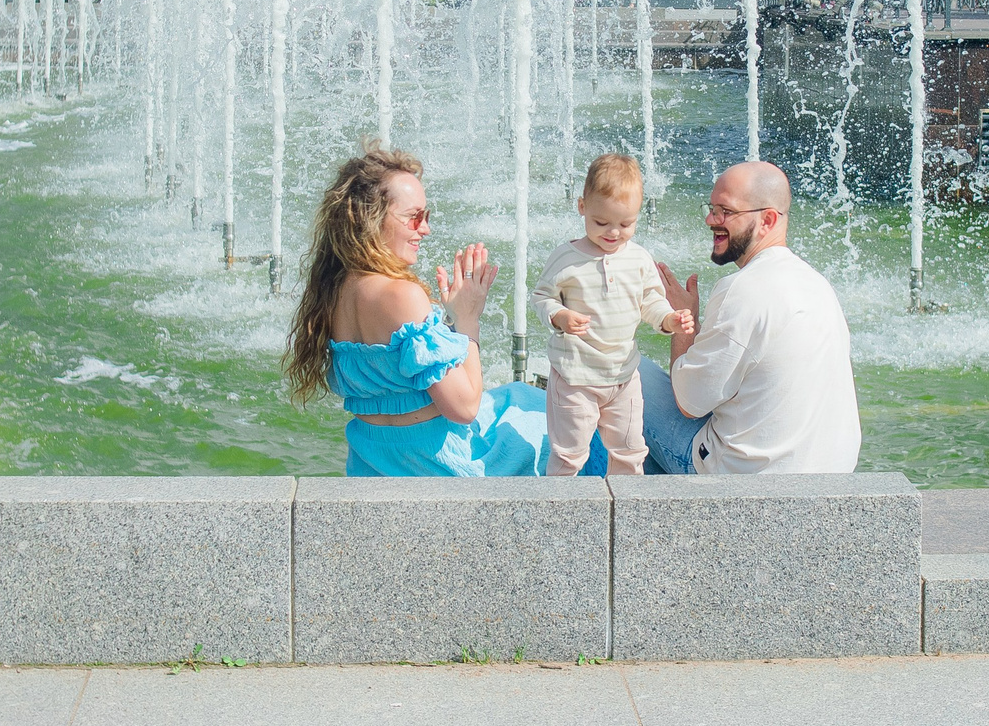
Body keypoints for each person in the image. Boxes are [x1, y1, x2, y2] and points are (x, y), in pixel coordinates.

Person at [282, 145, 585, 476]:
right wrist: (466, 321)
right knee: (549, 413)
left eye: (426, 216)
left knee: (515, 396)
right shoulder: (401, 296)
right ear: (371, 218)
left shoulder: (333, 291)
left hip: (371, 465)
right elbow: (464, 408)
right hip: (439, 466)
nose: (424, 229)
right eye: (414, 217)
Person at [637, 160, 860, 475]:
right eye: (711, 208)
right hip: (830, 483)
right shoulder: (816, 284)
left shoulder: (743, 289)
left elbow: (689, 403)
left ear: (767, 219)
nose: (710, 219)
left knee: (624, 367)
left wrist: (683, 321)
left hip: (746, 486)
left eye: (725, 211)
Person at [531, 153, 690, 477]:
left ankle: (626, 511)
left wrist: (667, 319)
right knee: (568, 454)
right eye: (601, 222)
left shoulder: (639, 259)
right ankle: (557, 513)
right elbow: (541, 296)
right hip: (574, 376)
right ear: (582, 207)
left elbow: (649, 300)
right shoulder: (567, 258)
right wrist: (559, 315)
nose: (613, 233)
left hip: (623, 377)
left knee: (630, 451)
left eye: (625, 224)